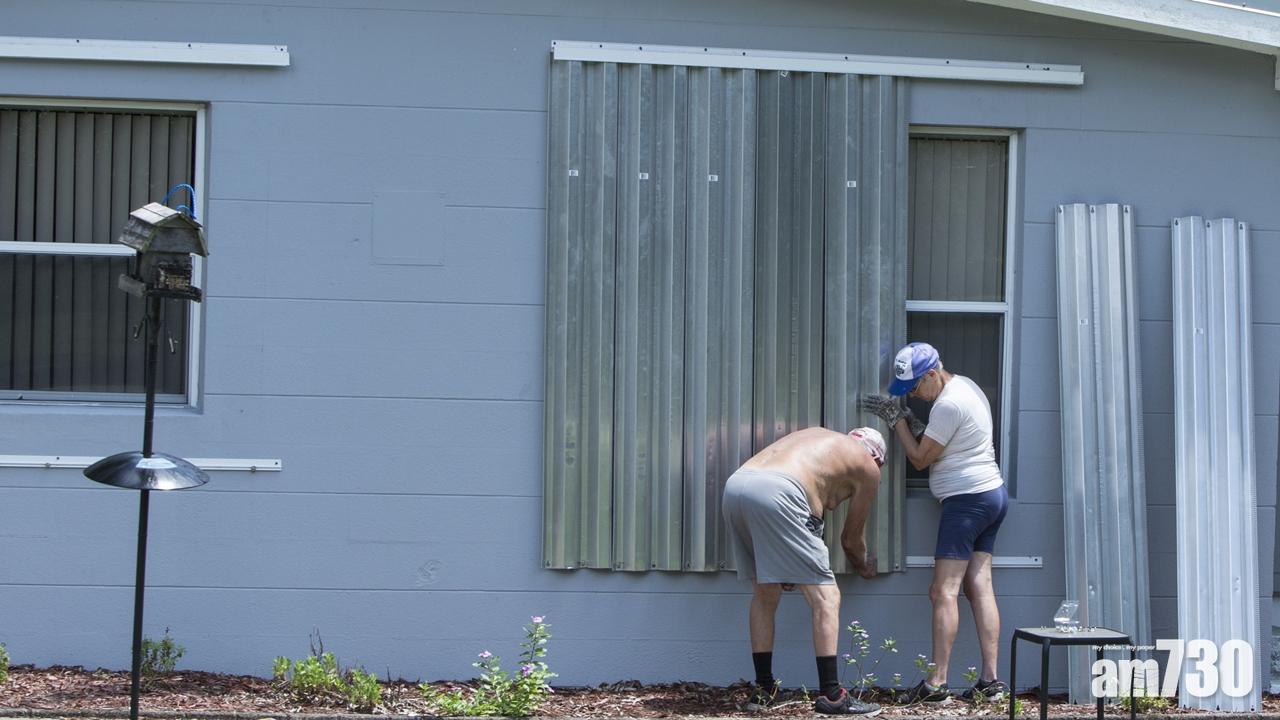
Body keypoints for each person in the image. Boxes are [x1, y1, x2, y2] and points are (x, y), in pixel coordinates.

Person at [862, 342, 1010, 703]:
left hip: (967, 502)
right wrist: (915, 422)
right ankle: (991, 682)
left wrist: (897, 421)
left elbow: (919, 458)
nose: (914, 395)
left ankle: (936, 685)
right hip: (991, 495)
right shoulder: (966, 386)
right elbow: (949, 439)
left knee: (942, 591)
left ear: (932, 373)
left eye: (914, 387)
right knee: (979, 587)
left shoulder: (947, 403)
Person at [722, 426, 887, 716]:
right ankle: (832, 696)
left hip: (737, 487)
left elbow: (811, 513)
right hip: (780, 492)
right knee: (827, 597)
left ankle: (764, 690)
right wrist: (864, 565)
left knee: (764, 591)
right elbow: (850, 541)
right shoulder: (869, 467)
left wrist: (789, 563)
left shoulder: (821, 440)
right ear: (877, 458)